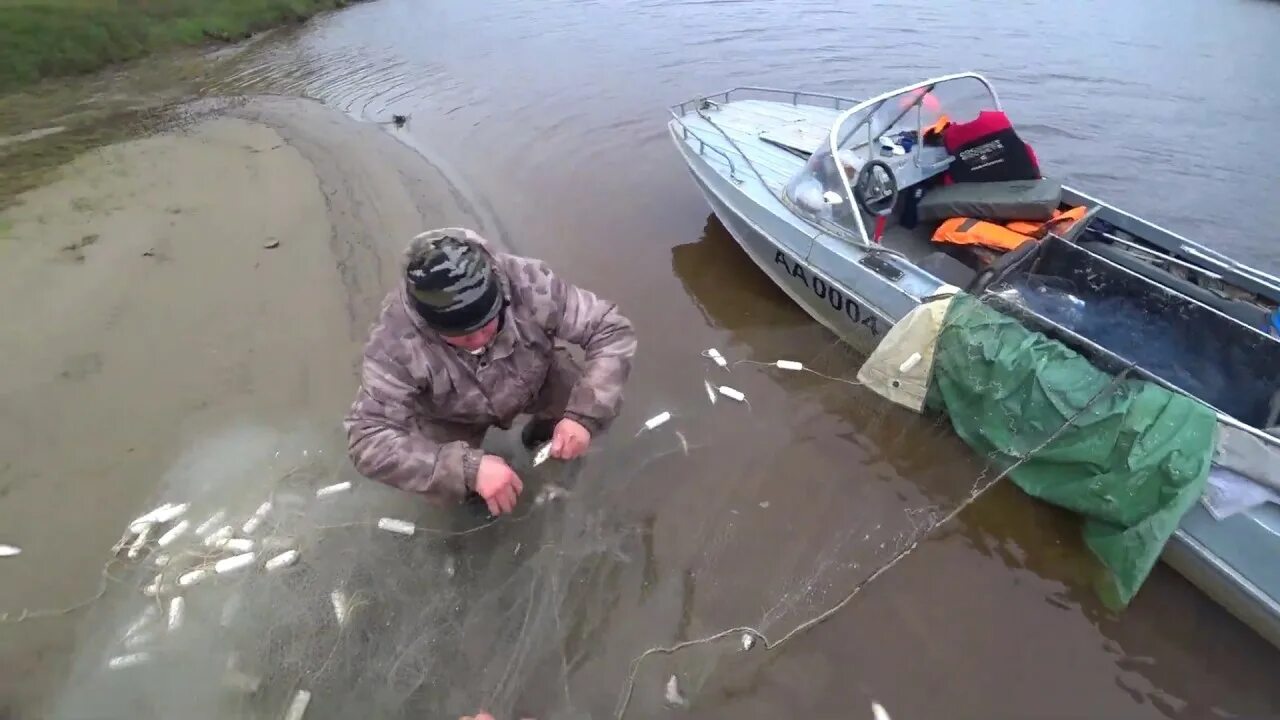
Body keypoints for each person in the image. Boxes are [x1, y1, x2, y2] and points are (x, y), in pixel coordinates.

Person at [344, 227, 636, 516]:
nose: (481, 340)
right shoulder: (393, 344)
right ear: (431, 326)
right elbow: (367, 438)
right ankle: (481, 501)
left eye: (488, 326)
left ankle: (546, 438)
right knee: (457, 486)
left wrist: (583, 417)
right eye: (464, 336)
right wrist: (467, 469)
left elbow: (609, 328)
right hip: (449, 413)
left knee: (574, 409)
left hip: (535, 375)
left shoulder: (528, 283)